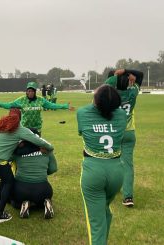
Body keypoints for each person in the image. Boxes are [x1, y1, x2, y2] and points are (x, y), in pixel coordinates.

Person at [0, 108, 54, 223]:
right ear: (20, 118)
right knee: (8, 182)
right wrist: (50, 148)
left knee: (4, 180)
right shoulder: (19, 129)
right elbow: (38, 141)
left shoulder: (2, 126)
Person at [77, 84, 127, 245]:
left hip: (93, 171)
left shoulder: (83, 112)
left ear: (97, 101)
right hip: (117, 172)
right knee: (105, 211)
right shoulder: (121, 115)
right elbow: (111, 109)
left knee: (96, 225)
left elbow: (82, 131)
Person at [106, 69, 143, 207]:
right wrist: (127, 71)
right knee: (128, 166)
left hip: (114, 133)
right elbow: (140, 75)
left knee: (111, 162)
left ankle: (110, 189)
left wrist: (115, 75)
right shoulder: (133, 92)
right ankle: (128, 197)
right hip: (129, 133)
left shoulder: (111, 95)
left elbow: (107, 83)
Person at [0, 81, 74, 134]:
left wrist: (65, 106)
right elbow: (9, 105)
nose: (30, 92)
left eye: (32, 91)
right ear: (26, 91)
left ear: (35, 91)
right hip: (25, 127)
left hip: (37, 127)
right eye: (28, 91)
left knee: (36, 149)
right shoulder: (21, 100)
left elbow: (53, 105)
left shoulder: (41, 100)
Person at [10, 139, 57, 219]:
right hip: (44, 189)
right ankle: (44, 203)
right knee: (40, 199)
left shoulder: (18, 151)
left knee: (14, 202)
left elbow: (5, 158)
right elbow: (53, 169)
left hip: (21, 189)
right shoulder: (46, 150)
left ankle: (25, 203)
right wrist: (42, 172)